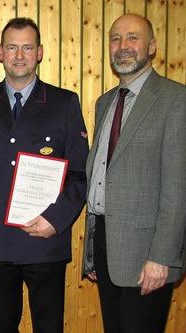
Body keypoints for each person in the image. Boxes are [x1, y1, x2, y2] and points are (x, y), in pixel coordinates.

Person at [0, 18, 89, 332]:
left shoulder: (63, 103)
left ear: (40, 52)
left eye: (28, 47)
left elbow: (80, 172)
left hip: (45, 241)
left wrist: (56, 219)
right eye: (12, 47)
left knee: (49, 327)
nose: (20, 55)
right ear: (0, 53)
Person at [81, 13, 186, 333]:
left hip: (147, 254)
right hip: (106, 245)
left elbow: (178, 188)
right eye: (115, 38)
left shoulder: (176, 100)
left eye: (133, 38)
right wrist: (92, 253)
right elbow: (103, 173)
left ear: (152, 46)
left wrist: (162, 257)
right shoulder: (105, 102)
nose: (123, 46)